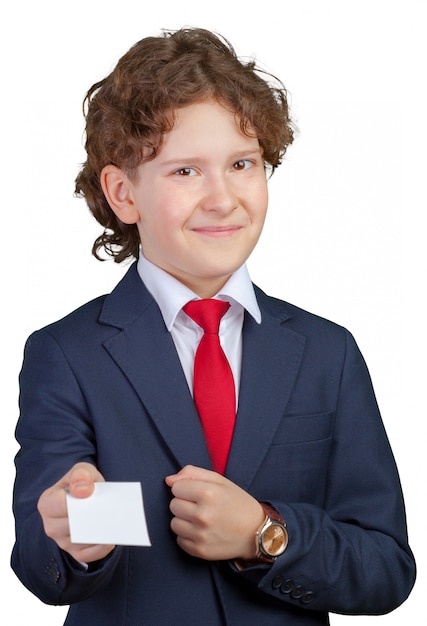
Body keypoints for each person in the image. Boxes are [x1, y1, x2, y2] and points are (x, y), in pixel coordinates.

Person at [11, 27, 415, 625]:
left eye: (242, 163)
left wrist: (265, 532)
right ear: (124, 194)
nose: (223, 198)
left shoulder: (329, 352)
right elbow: (40, 562)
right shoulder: (66, 353)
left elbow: (385, 569)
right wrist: (72, 537)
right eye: (184, 172)